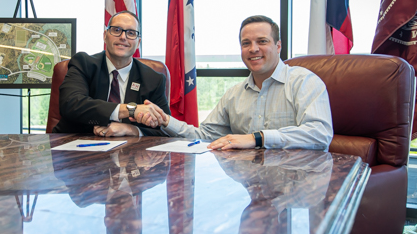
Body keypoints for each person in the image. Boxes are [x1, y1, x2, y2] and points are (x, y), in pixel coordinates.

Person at [138, 15, 333, 150]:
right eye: (246, 43)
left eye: (262, 41)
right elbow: (204, 136)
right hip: (249, 183)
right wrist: (166, 121)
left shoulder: (304, 82)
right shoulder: (234, 95)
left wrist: (257, 138)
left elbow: (320, 134)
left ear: (278, 46)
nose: (253, 49)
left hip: (298, 188)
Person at [52, 10, 170, 136]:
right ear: (105, 35)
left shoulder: (153, 79)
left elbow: (165, 130)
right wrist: (131, 110)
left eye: (131, 33)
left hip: (129, 152)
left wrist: (131, 130)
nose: (123, 37)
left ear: (138, 43)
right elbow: (71, 104)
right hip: (74, 146)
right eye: (116, 30)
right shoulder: (83, 64)